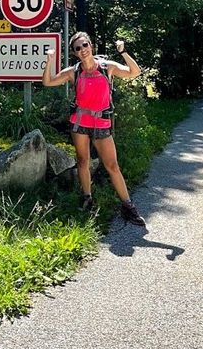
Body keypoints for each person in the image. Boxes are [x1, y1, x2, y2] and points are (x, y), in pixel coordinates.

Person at [42, 31, 145, 226]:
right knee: (83, 161)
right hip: (80, 124)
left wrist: (123, 52)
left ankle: (128, 206)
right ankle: (87, 198)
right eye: (78, 48)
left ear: (91, 46)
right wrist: (49, 60)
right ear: (74, 52)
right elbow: (47, 82)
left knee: (112, 166)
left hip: (102, 124)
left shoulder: (107, 68)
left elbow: (135, 72)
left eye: (85, 45)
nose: (83, 50)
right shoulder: (74, 71)